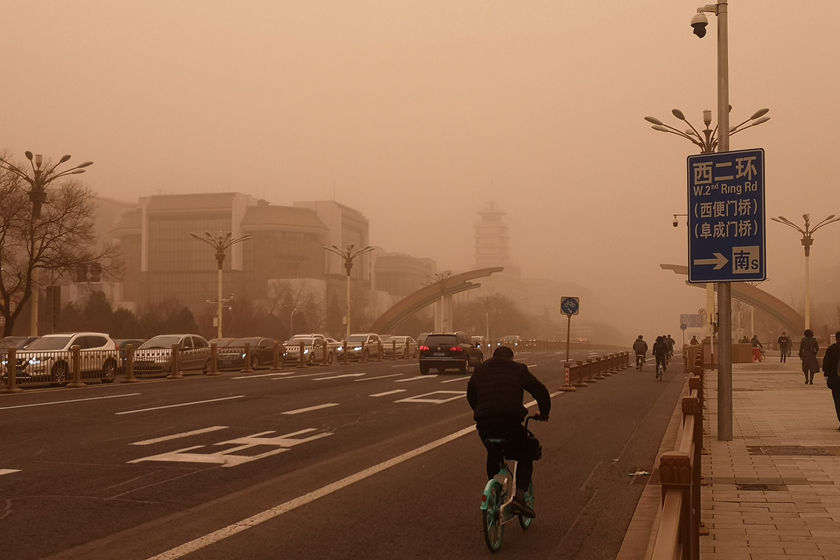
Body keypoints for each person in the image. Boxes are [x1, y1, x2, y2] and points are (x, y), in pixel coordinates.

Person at [467, 345, 550, 519]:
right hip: (510, 424)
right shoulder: (519, 369)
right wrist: (544, 412)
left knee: (493, 451)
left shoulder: (480, 370)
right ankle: (519, 498)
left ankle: (494, 488)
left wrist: (480, 411)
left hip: (484, 425)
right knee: (527, 452)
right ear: (511, 357)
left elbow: (471, 395)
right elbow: (540, 391)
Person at [822, 331, 840, 430]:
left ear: (836, 338)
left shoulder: (832, 349)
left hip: (836, 379)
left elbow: (826, 364)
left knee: (838, 400)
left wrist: (827, 375)